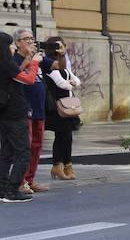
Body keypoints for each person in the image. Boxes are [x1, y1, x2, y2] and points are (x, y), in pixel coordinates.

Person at [0, 32, 36, 202]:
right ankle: (12, 190)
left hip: (4, 112)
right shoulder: (6, 63)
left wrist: (27, 60)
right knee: (23, 153)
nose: (12, 47)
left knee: (6, 152)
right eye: (10, 44)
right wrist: (35, 63)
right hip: (14, 112)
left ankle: (2, 188)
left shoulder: (5, 65)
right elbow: (28, 79)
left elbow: (15, 75)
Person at [15, 29, 52, 194]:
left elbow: (57, 66)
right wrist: (32, 60)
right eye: (26, 39)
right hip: (23, 109)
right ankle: (20, 181)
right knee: (25, 146)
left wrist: (59, 53)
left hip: (39, 109)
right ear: (18, 43)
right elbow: (20, 75)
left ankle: (30, 180)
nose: (31, 41)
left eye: (32, 38)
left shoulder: (38, 57)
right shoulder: (14, 60)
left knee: (37, 146)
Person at [43, 36, 81, 181]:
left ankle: (66, 165)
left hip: (68, 103)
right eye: (58, 46)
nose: (61, 49)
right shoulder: (49, 65)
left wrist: (73, 82)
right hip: (57, 105)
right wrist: (71, 83)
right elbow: (61, 83)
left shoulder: (62, 64)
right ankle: (59, 165)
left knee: (66, 136)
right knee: (62, 136)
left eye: (63, 46)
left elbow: (76, 79)